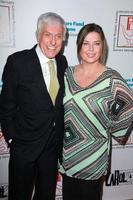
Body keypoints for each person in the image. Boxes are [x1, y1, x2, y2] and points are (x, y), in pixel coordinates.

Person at [59, 23, 133, 200]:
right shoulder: (66, 74)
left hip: (94, 158)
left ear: (102, 46)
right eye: (86, 43)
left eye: (96, 43)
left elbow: (128, 105)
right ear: (79, 46)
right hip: (67, 156)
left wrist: (111, 127)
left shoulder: (111, 78)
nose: (91, 49)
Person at [0, 12, 68, 200]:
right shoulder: (17, 62)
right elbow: (6, 106)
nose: (53, 41)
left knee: (46, 195)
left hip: (51, 148)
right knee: (19, 195)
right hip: (24, 146)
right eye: (48, 34)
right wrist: (13, 139)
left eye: (58, 36)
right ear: (38, 35)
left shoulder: (62, 62)